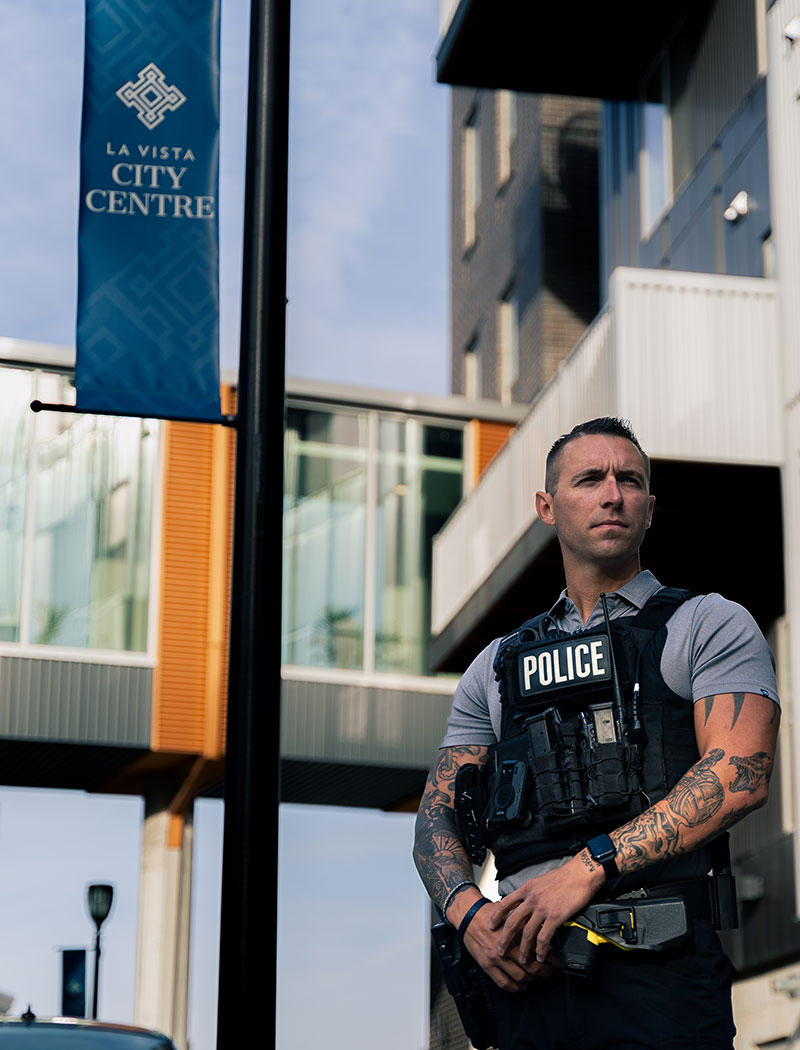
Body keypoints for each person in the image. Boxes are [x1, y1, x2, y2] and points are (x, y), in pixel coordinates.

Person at [413, 417, 780, 1050]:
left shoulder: (707, 625)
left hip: (659, 976)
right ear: (547, 507)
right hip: (525, 979)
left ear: (650, 507)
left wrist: (589, 867)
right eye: (590, 479)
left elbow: (740, 774)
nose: (613, 494)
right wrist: (469, 916)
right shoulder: (496, 665)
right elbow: (435, 820)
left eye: (630, 481)